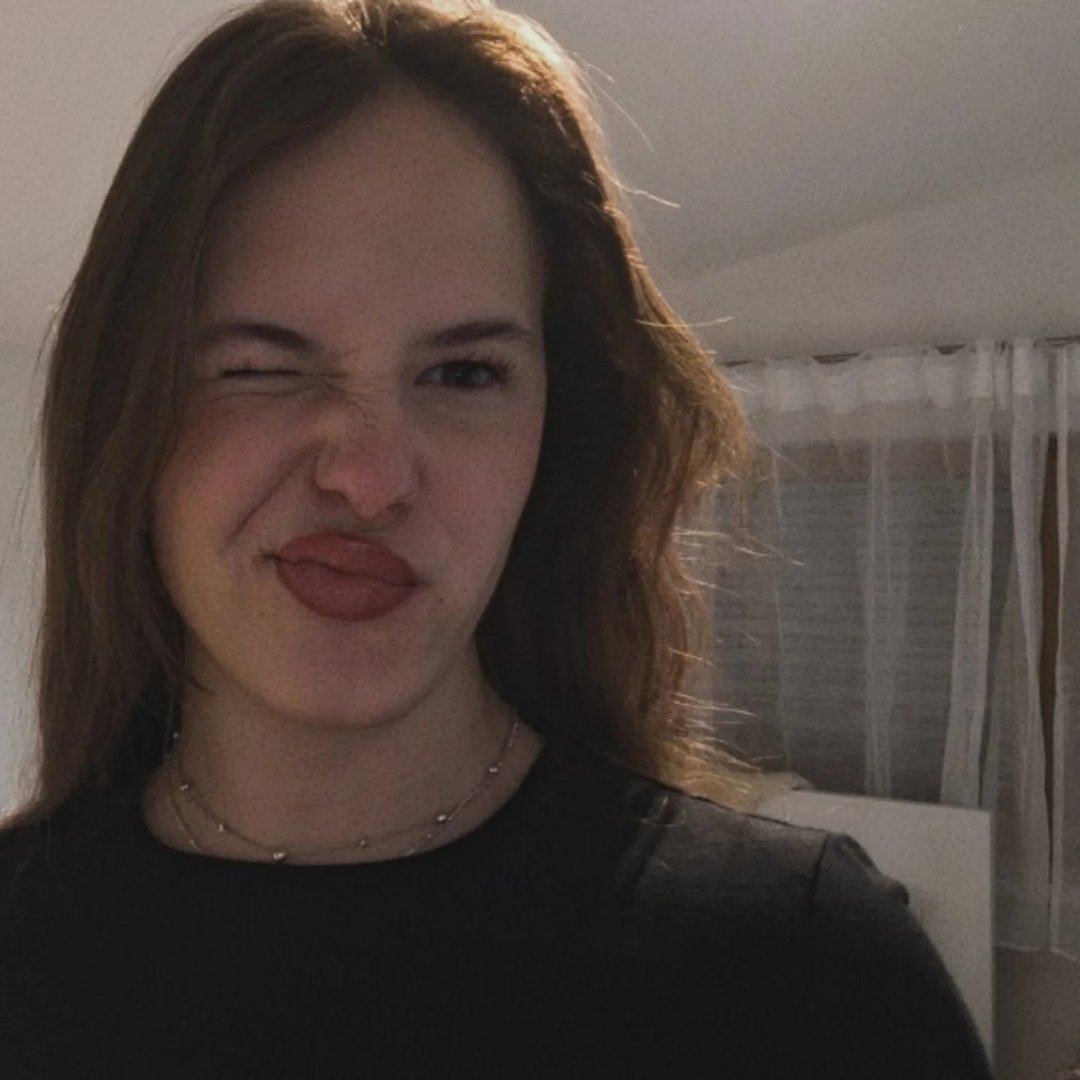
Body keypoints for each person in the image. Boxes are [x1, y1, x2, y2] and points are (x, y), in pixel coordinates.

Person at [0, 1, 992, 1076]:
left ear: (556, 435)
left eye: (465, 373)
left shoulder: (809, 976)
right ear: (123, 410)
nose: (370, 479)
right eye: (260, 366)